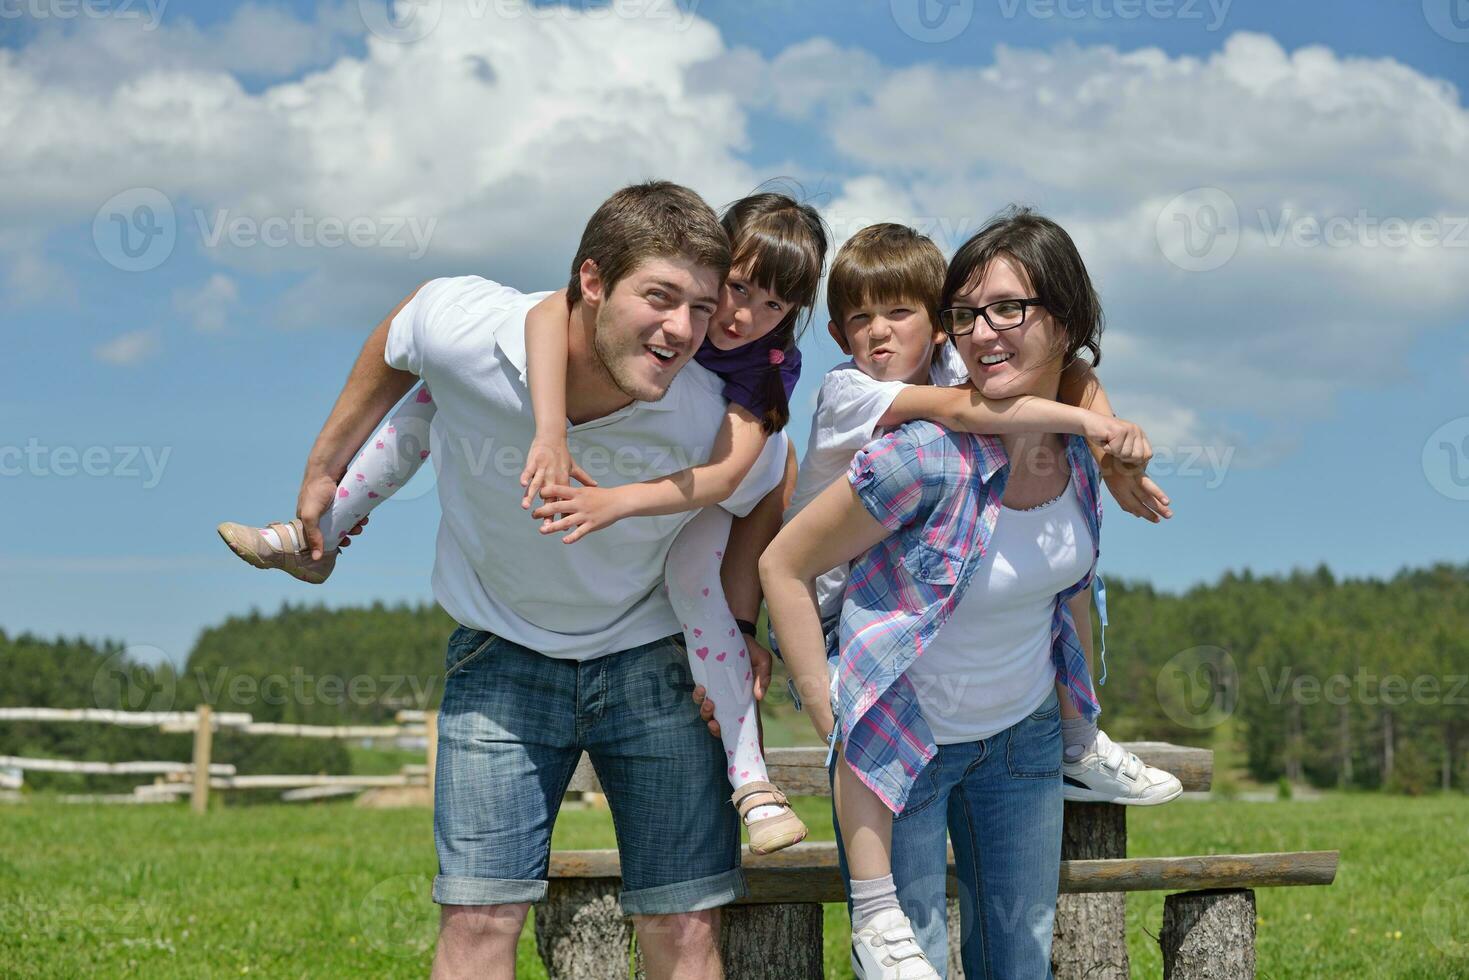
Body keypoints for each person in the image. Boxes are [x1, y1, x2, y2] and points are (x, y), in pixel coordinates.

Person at [286, 181, 791, 980]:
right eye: (659, 297)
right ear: (592, 282)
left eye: (701, 307)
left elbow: (764, 489)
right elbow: (402, 328)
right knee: (479, 920)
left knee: (684, 927)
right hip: (499, 655)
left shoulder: (710, 414)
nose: (683, 329)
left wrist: (740, 622)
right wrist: (324, 469)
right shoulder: (478, 338)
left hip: (653, 660)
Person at [758, 208, 1169, 977]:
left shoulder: (1073, 449)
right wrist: (827, 709)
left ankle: (1083, 744)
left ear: (1065, 318)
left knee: (1017, 962)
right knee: (911, 962)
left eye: (1007, 309)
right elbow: (784, 565)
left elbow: (1069, 589)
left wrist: (1106, 446)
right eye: (969, 313)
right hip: (900, 739)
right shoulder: (910, 445)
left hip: (1022, 739)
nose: (983, 331)